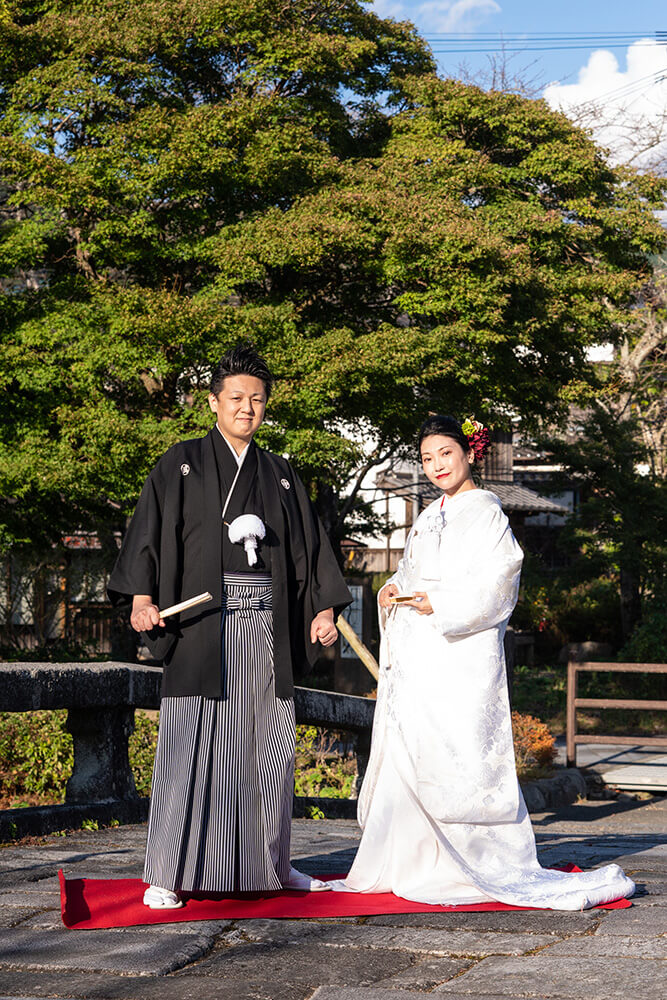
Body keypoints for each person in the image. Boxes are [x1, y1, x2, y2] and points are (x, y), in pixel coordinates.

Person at [331, 414, 634, 910]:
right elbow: (409, 572)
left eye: (445, 454)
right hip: (422, 655)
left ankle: (468, 859)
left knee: (459, 751)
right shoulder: (429, 516)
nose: (436, 466)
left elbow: (499, 582)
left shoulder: (487, 513)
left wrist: (439, 603)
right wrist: (394, 590)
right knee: (417, 748)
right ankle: (409, 859)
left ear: (468, 454)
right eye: (427, 458)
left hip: (461, 653)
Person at [108, 344, 351, 907]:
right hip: (200, 624)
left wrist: (320, 611)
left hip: (268, 626)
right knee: (190, 746)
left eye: (257, 399)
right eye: (236, 398)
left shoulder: (282, 474)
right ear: (213, 402)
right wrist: (143, 597)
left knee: (264, 747)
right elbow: (148, 531)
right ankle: (167, 873)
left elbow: (311, 552)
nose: (247, 408)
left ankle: (273, 863)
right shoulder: (181, 462)